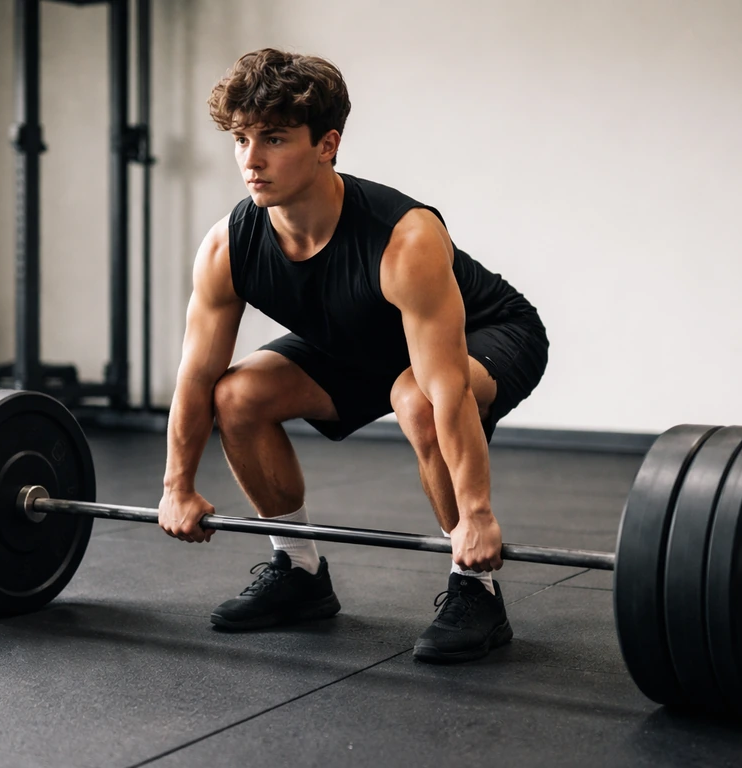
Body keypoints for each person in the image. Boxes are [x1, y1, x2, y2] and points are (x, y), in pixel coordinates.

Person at [157, 48, 548, 663]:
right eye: (241, 139)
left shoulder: (405, 239)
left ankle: (476, 590)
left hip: (489, 333)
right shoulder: (228, 247)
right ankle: (299, 572)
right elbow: (196, 376)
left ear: (327, 144)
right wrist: (176, 486)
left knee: (416, 397)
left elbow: (445, 388)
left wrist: (477, 515)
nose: (251, 160)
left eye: (274, 139)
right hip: (359, 341)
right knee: (236, 395)